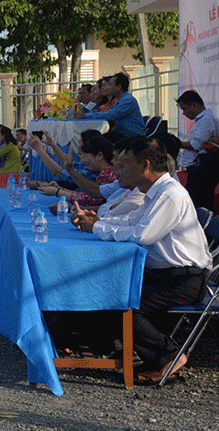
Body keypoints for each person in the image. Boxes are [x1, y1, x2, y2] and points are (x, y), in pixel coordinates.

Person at [71, 137, 210, 382]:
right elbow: (132, 222)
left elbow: (142, 235)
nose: (119, 171)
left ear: (145, 166)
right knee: (107, 290)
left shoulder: (170, 195)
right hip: (166, 274)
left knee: (122, 303)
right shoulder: (156, 193)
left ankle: (167, 357)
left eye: (125, 165)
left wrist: (98, 228)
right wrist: (99, 223)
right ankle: (114, 348)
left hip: (182, 279)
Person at [176, 89, 219, 211]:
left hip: (203, 170)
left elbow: (195, 145)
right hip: (201, 169)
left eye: (184, 109)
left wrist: (176, 143)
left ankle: (203, 227)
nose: (184, 113)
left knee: (199, 204)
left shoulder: (206, 120)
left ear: (194, 105)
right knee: (199, 202)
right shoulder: (203, 120)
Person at [91, 72, 146, 141]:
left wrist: (87, 116)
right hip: (123, 134)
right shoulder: (120, 100)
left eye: (110, 85)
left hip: (132, 136)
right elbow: (110, 112)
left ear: (119, 87)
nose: (108, 87)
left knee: (98, 140)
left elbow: (111, 114)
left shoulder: (128, 100)